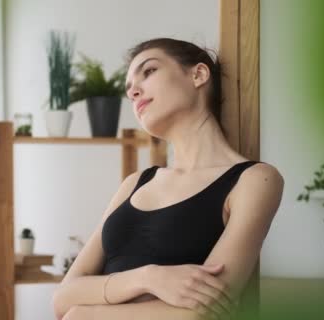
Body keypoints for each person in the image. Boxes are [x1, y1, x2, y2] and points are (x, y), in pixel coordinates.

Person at [52, 38, 284, 320]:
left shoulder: (254, 180)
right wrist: (148, 278)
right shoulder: (135, 183)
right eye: (129, 89)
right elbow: (63, 297)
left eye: (148, 72)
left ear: (198, 75)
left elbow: (201, 311)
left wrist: (83, 315)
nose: (134, 91)